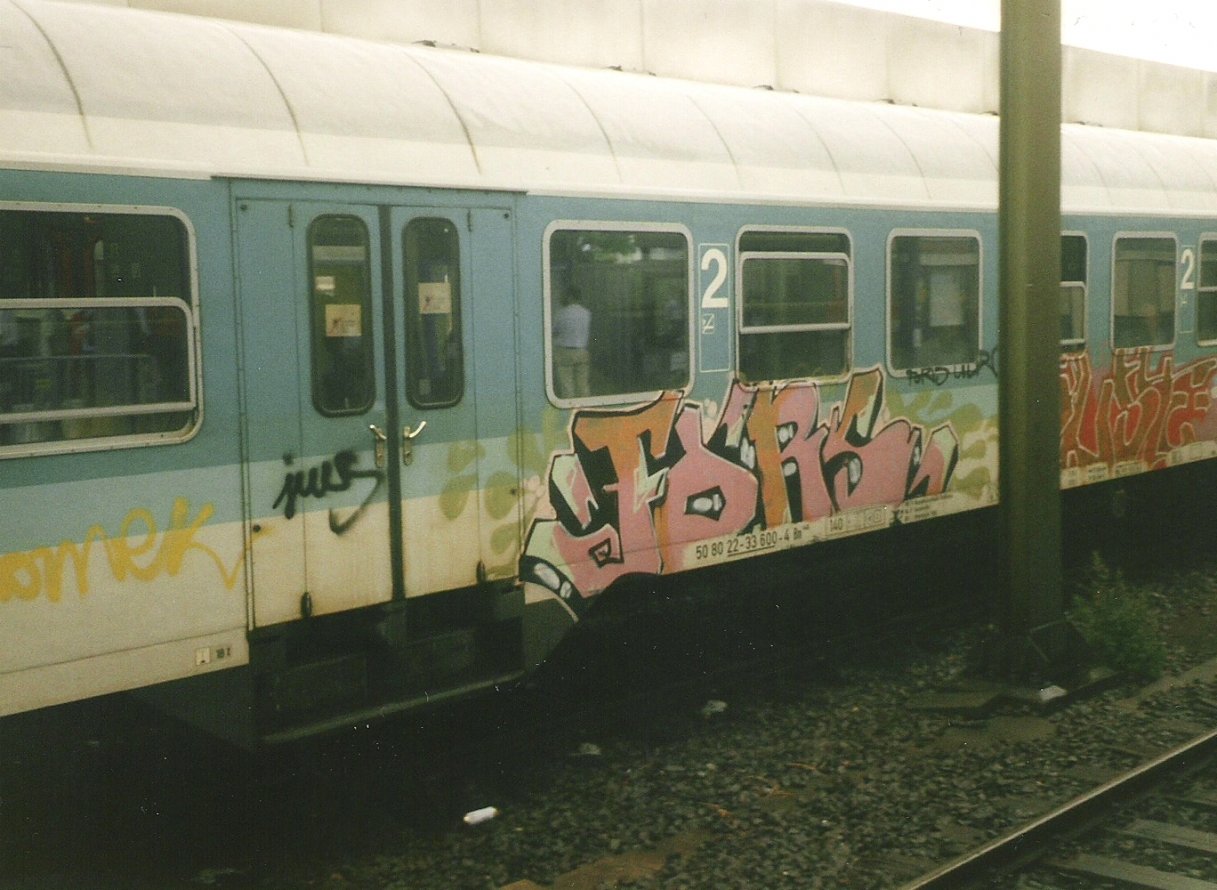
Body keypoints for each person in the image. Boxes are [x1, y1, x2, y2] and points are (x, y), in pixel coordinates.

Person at [552, 287, 591, 398]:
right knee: (583, 386)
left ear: (570, 297)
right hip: (582, 351)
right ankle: (585, 406)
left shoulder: (561, 313)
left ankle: (570, 406)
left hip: (564, 352)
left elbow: (554, 331)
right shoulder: (586, 313)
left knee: (567, 386)